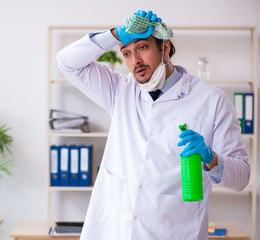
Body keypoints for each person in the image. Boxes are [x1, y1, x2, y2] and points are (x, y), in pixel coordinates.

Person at [57, 10, 250, 240]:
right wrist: (116, 34)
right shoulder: (120, 90)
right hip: (115, 231)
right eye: (126, 53)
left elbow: (242, 177)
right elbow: (67, 62)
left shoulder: (212, 100)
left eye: (142, 47)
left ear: (165, 47)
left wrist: (212, 159)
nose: (135, 61)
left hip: (174, 233)